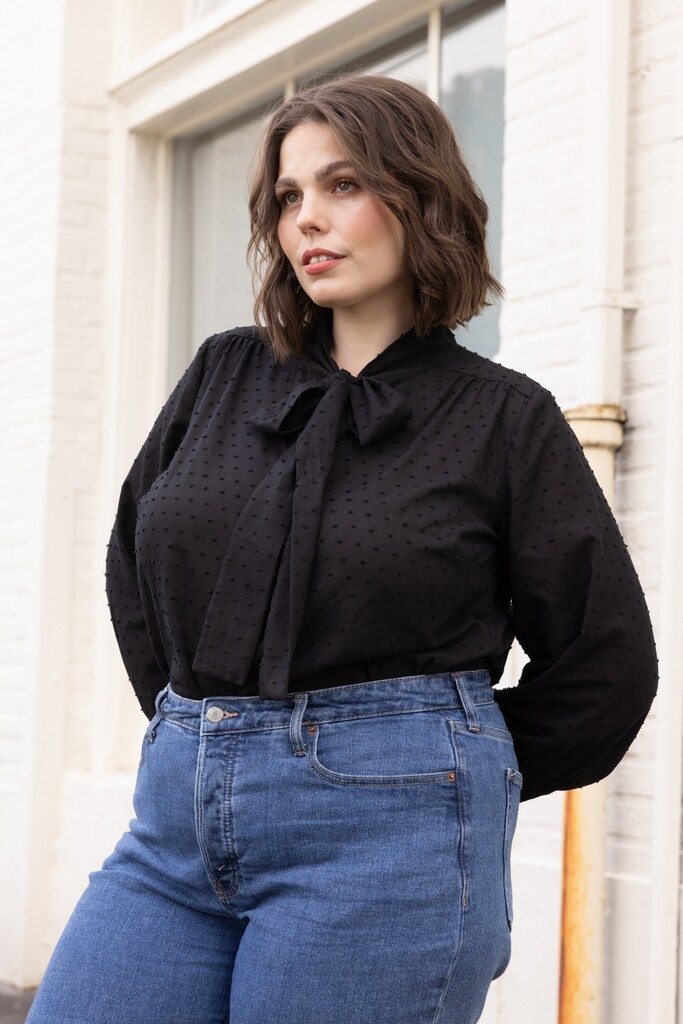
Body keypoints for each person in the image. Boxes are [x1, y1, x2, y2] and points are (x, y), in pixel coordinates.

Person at [26, 73, 658, 1024]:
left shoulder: (501, 417)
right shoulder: (224, 371)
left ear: (420, 196)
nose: (307, 220)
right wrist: (197, 723)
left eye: (343, 184)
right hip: (174, 830)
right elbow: (134, 565)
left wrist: (443, 765)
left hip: (387, 847)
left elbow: (607, 664)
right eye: (288, 197)